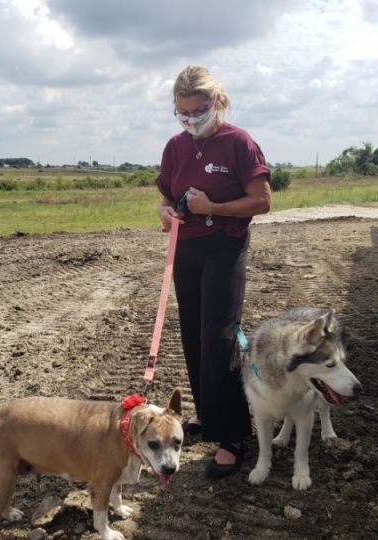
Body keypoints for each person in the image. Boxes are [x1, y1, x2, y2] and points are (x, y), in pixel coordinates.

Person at [155, 65, 271, 479]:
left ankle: (233, 434)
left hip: (225, 244)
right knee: (192, 333)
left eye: (198, 111)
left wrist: (214, 208)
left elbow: (261, 201)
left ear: (217, 103)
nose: (190, 120)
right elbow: (166, 196)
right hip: (185, 247)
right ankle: (206, 413)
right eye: (182, 113)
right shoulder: (175, 147)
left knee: (220, 337)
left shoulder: (238, 143)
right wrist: (166, 213)